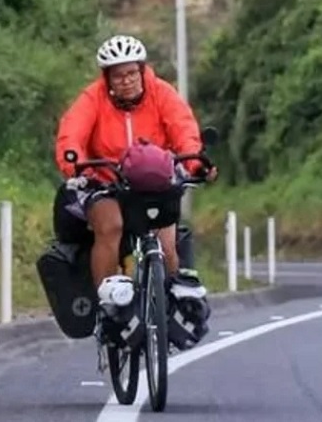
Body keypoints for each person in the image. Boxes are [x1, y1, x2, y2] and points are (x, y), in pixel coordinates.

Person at [52, 34, 215, 350]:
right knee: (109, 227)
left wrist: (195, 164)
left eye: (130, 73)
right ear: (107, 79)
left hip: (154, 182)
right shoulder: (93, 98)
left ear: (142, 71)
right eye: (117, 76)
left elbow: (184, 130)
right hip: (105, 179)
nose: (125, 81)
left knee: (168, 246)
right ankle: (109, 306)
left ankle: (167, 314)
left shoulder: (162, 93)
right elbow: (72, 133)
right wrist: (74, 165)